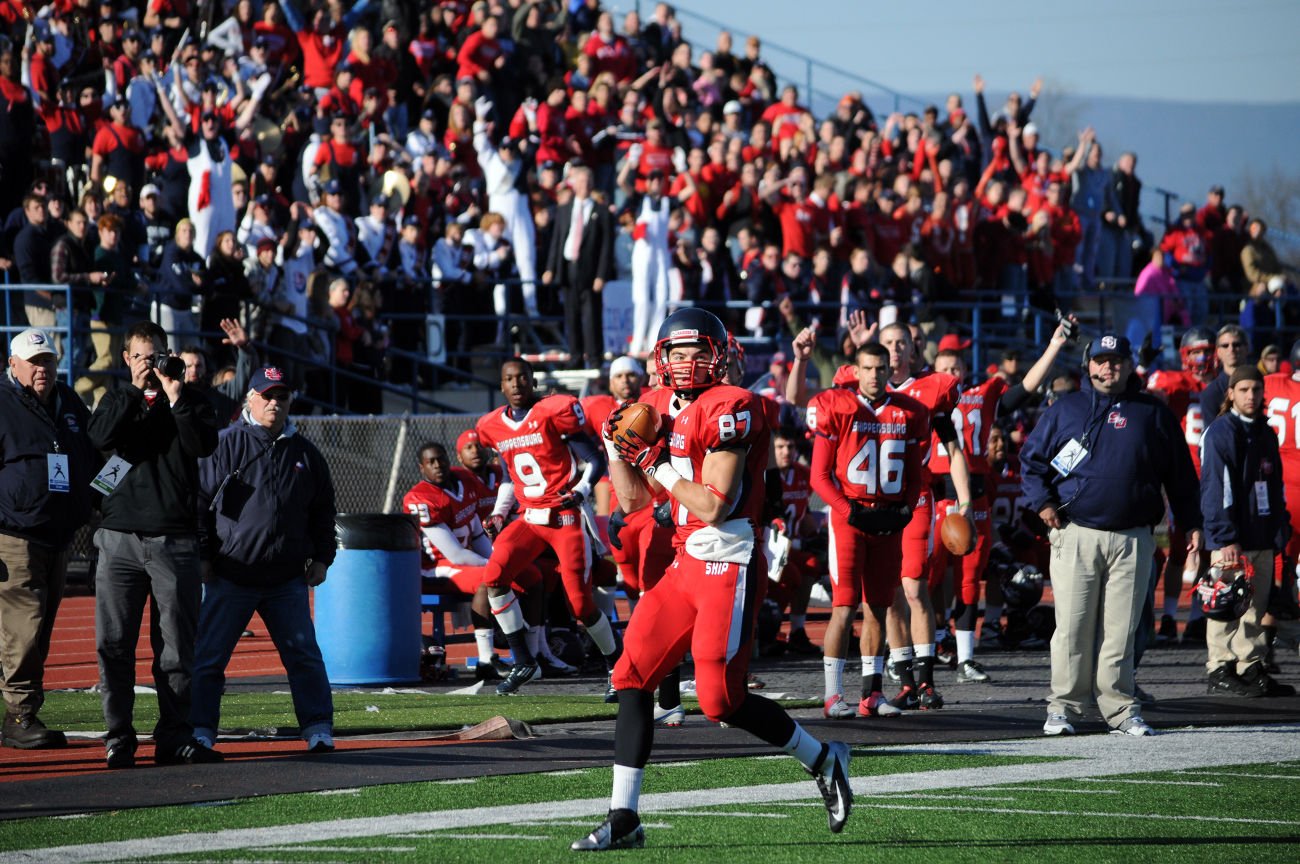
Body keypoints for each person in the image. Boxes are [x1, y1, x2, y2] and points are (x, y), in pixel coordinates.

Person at [576, 308, 851, 850]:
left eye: (698, 351)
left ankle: (823, 759)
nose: (686, 362)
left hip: (727, 560)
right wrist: (616, 451)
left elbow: (713, 505)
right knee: (632, 674)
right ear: (661, 358)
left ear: (720, 356)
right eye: (677, 353)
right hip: (682, 563)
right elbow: (633, 501)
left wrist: (654, 460)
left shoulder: (734, 406)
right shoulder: (653, 406)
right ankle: (624, 817)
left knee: (720, 701)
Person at [1021, 333, 1202, 736]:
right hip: (1076, 532)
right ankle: (1063, 707)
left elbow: (1181, 477)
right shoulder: (1065, 408)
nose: (1108, 367)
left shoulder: (1152, 413)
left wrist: (1191, 523)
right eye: (1101, 360)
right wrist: (1043, 504)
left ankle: (1120, 709)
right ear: (1088, 364)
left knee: (1121, 630)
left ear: (1129, 364)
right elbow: (1031, 462)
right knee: (1072, 625)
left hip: (1134, 537)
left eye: (1116, 360)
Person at [87, 320, 223, 768]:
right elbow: (100, 438)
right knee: (114, 644)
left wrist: (175, 394)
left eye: (156, 355)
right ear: (126, 359)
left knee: (177, 648)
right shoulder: (115, 399)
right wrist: (133, 391)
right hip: (120, 537)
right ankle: (119, 737)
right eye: (141, 356)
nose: (149, 364)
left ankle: (174, 736)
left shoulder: (189, 400)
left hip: (174, 539)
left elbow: (202, 445)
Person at [192, 367, 338, 754]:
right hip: (231, 574)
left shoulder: (305, 452)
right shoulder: (223, 444)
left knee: (304, 656)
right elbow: (199, 505)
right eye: (267, 395)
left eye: (282, 396)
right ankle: (201, 730)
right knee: (208, 658)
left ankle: (318, 728)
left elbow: (324, 510)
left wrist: (323, 557)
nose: (275, 402)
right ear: (249, 399)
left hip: (286, 579)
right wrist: (204, 556)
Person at [927, 317, 1078, 682]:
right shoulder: (922, 394)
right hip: (934, 495)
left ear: (965, 369)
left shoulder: (983, 394)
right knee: (927, 575)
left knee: (968, 577)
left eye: (955, 367)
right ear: (933, 371)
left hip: (974, 498)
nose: (950, 373)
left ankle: (965, 655)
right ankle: (926, 648)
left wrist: (1055, 343)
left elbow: (1026, 386)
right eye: (943, 368)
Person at [474, 358, 615, 696]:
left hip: (563, 516)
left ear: (532, 380)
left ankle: (618, 665)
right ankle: (524, 661)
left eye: (522, 377)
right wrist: (497, 512)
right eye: (509, 379)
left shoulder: (554, 412)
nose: (517, 384)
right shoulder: (492, 425)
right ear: (502, 385)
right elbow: (510, 474)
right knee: (494, 576)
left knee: (580, 603)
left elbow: (595, 460)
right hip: (529, 517)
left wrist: (580, 493)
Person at [807, 342, 928, 718]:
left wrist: (905, 510)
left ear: (889, 370)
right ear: (855, 370)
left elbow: (915, 472)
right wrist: (849, 510)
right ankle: (832, 695)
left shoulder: (909, 412)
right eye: (868, 368)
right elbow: (819, 476)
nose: (875, 375)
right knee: (843, 605)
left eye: (880, 368)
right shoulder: (837, 407)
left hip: (887, 518)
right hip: (850, 519)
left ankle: (871, 693)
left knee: (878, 605)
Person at [0, 329, 99, 749]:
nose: (43, 369)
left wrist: (104, 502)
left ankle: (19, 710)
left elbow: (98, 462)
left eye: (49, 361)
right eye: (35, 361)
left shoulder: (70, 403)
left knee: (38, 630)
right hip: (13, 534)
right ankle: (20, 715)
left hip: (60, 535)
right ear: (13, 364)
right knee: (25, 625)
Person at [878, 323, 974, 710]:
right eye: (887, 344)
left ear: (914, 349)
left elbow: (953, 448)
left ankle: (926, 680)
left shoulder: (930, 389)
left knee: (915, 588)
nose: (895, 351)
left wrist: (964, 500)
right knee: (889, 593)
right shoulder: (866, 390)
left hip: (915, 497)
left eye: (901, 343)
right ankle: (903, 679)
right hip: (875, 501)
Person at [402, 441, 540, 682]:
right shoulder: (421, 497)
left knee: (531, 574)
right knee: (489, 579)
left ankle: (535, 652)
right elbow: (455, 555)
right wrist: (495, 566)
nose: (438, 465)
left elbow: (476, 533)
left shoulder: (464, 480)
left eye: (440, 459)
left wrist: (499, 560)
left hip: (465, 562)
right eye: (430, 462)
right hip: (434, 568)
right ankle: (486, 660)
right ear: (421, 467)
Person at [1199, 365, 1295, 698]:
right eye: (1243, 390)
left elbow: (1274, 483)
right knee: (1226, 605)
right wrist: (1225, 536)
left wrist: (1280, 527)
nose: (1251, 396)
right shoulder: (1222, 432)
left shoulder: (1265, 432)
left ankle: (1250, 665)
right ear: (1230, 393)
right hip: (1233, 540)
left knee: (1256, 607)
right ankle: (1220, 667)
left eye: (1256, 389)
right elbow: (1216, 488)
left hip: (1262, 534)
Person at [1147, 327, 1218, 643]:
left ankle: (1198, 616)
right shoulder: (1174, 382)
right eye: (1195, 352)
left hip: (1216, 478)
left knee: (1210, 550)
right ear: (1183, 355)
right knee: (1178, 549)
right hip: (1185, 478)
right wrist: (1143, 368)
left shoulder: (1223, 385)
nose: (1201, 358)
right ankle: (1168, 616)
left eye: (1206, 351)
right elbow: (1147, 397)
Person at [543, 166, 613, 368]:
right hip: (568, 267)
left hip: (590, 271)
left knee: (591, 314)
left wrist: (601, 274)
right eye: (580, 181)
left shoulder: (601, 212)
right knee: (571, 315)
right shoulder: (564, 210)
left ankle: (594, 356)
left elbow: (605, 247)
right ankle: (575, 356)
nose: (584, 186)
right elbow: (557, 240)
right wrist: (550, 268)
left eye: (588, 181)